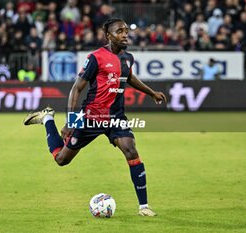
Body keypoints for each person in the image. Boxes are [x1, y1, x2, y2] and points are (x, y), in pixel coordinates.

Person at [23, 18, 166, 217]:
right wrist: (71, 122)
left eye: (126, 31)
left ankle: (144, 206)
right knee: (62, 159)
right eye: (119, 31)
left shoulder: (128, 58)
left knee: (131, 150)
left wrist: (151, 93)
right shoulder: (96, 57)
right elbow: (77, 88)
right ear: (108, 35)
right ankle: (48, 119)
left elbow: (130, 77)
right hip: (91, 116)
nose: (125, 34)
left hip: (116, 117)